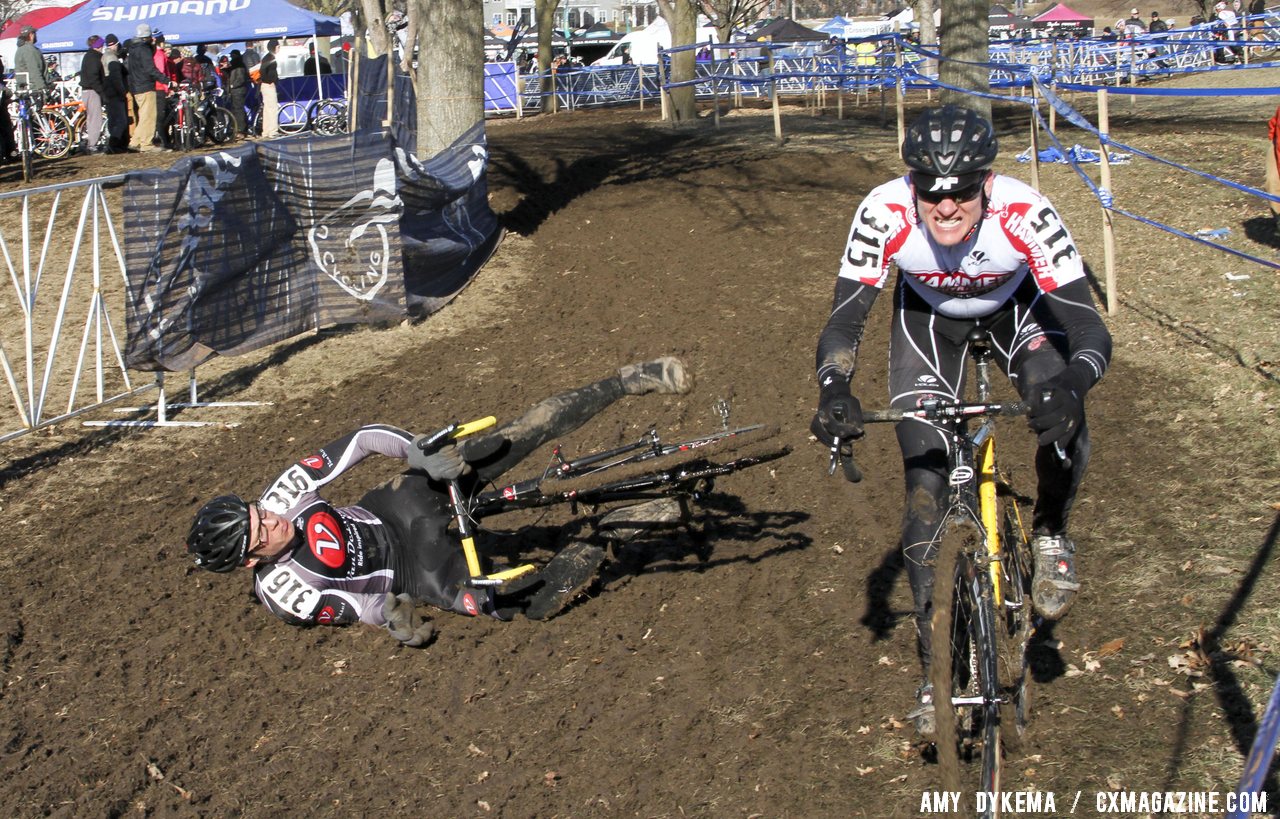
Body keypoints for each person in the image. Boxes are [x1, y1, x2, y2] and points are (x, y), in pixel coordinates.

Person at [810, 106, 1112, 733]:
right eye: (930, 193)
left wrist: (1073, 385)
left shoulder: (1026, 211)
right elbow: (845, 319)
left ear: (987, 182)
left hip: (1018, 311)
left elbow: (1086, 326)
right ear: (911, 186)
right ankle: (934, 675)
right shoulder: (883, 211)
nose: (946, 209)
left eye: (963, 193)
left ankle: (1052, 529)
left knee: (1063, 418)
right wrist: (834, 387)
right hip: (927, 322)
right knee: (924, 490)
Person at [185, 359, 693, 644]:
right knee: (526, 605)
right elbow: (360, 605)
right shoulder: (284, 593)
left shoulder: (284, 493)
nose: (273, 520)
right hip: (417, 572)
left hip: (397, 503)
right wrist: (395, 620)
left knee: (515, 436)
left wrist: (417, 454)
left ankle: (630, 380)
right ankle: (618, 527)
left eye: (261, 512)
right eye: (262, 531)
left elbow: (361, 440)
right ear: (251, 560)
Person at [126, 24, 169, 152]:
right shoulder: (144, 49)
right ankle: (147, 144)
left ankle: (135, 142)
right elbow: (151, 69)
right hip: (145, 86)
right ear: (147, 37)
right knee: (149, 116)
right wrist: (166, 81)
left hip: (136, 86)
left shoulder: (132, 49)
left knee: (144, 116)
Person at [101, 34, 130, 153]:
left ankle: (117, 146)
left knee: (113, 119)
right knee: (121, 120)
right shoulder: (112, 58)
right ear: (116, 45)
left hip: (108, 92)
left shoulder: (105, 56)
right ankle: (114, 145)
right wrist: (123, 92)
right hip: (115, 92)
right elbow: (116, 77)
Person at [79, 36, 106, 154]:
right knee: (95, 119)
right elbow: (94, 77)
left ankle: (91, 143)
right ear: (99, 46)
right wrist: (102, 92)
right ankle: (92, 145)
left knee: (91, 118)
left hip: (87, 90)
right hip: (92, 90)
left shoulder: (88, 56)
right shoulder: (94, 58)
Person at [12, 25, 49, 98]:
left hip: (24, 87)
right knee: (38, 109)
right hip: (33, 89)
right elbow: (34, 70)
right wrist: (42, 88)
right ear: (31, 35)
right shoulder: (29, 50)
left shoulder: (20, 49)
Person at [258, 38, 280, 139]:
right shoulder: (270, 58)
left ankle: (266, 131)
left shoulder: (266, 57)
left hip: (264, 85)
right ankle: (272, 131)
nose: (279, 48)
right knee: (272, 108)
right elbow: (262, 71)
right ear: (274, 47)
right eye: (278, 46)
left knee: (267, 109)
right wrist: (269, 81)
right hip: (268, 85)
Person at [225, 49, 249, 137]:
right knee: (237, 110)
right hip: (236, 90)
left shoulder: (239, 65)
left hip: (238, 91)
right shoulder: (235, 64)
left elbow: (240, 79)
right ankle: (239, 129)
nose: (231, 57)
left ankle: (241, 130)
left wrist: (232, 85)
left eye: (232, 55)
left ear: (235, 56)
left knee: (239, 110)